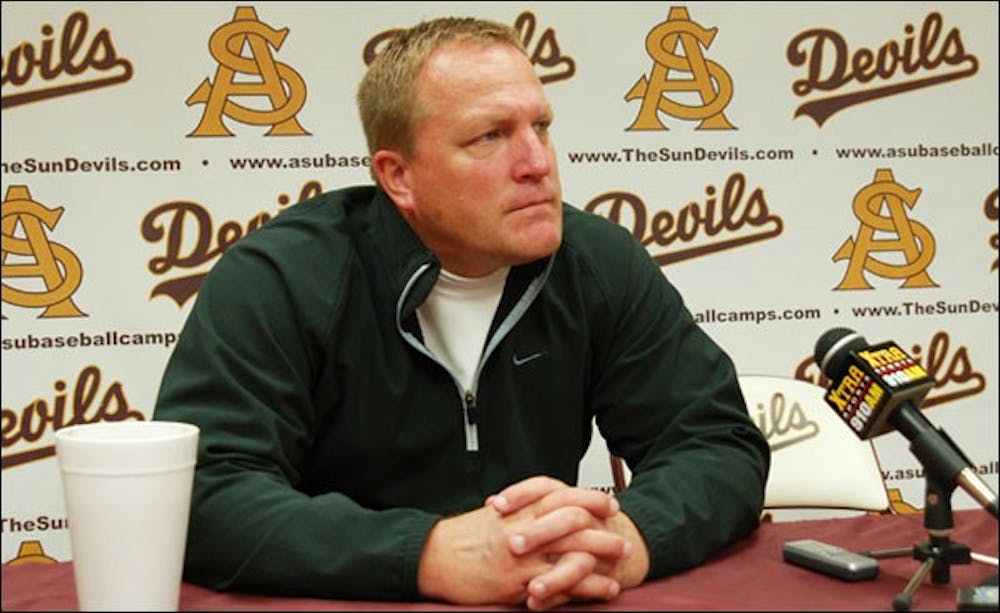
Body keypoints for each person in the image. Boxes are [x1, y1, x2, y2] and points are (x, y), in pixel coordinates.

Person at [152, 16, 770, 611]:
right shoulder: (282, 278)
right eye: (491, 136)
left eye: (542, 126)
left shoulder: (597, 263)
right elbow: (203, 494)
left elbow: (715, 441)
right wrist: (427, 555)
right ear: (399, 178)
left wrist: (630, 539)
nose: (537, 162)